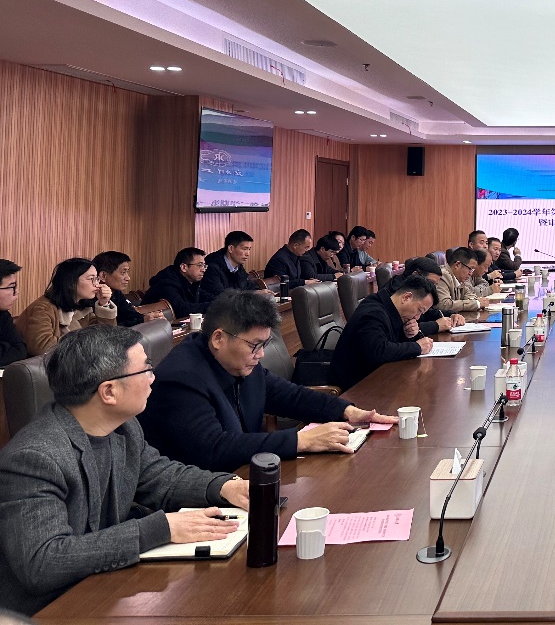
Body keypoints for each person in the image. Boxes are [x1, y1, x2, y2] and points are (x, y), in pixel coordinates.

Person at [0, 325, 250, 615]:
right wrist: (161, 529)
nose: (153, 378)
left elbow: (161, 476)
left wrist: (225, 486)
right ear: (109, 391)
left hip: (105, 586)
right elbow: (43, 562)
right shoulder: (34, 458)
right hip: (52, 610)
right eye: (146, 370)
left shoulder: (124, 428)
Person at [140, 289, 395, 472]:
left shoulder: (237, 362)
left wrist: (347, 411)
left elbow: (289, 395)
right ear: (218, 338)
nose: (261, 354)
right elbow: (214, 449)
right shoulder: (181, 380)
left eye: (264, 344)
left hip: (242, 476)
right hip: (197, 501)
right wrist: (302, 440)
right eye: (255, 345)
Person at [330, 274, 437, 390]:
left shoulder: (392, 311)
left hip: (378, 378)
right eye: (419, 310)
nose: (417, 317)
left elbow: (390, 343)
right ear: (406, 297)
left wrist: (407, 335)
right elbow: (379, 351)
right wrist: (417, 347)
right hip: (356, 387)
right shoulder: (373, 313)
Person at [15, 259, 118, 355]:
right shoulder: (43, 308)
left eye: (97, 279)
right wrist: (86, 342)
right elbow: (41, 347)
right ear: (71, 282)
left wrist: (104, 304)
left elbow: (107, 336)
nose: (97, 284)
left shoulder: (82, 306)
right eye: (91, 279)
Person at [391, 257, 465, 336]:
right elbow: (401, 329)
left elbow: (426, 312)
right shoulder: (396, 293)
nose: (433, 288)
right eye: (431, 283)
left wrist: (451, 315)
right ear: (415, 275)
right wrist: (436, 326)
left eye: (435, 285)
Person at [142, 248, 212, 320]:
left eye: (204, 266)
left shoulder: (191, 282)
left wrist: (218, 302)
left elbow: (205, 297)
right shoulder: (166, 283)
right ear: (184, 267)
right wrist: (213, 306)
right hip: (153, 325)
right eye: (200, 265)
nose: (203, 269)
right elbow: (181, 310)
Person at [91, 252, 153, 328]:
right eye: (123, 272)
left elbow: (131, 315)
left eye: (127, 272)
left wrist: (147, 318)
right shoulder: (89, 298)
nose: (128, 278)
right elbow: (102, 330)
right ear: (103, 275)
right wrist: (142, 320)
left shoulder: (117, 293)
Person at [201, 231, 257, 300]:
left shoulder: (238, 265)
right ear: (231, 249)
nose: (248, 254)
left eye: (249, 249)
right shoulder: (212, 266)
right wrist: (253, 294)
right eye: (244, 249)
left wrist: (257, 292)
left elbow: (246, 286)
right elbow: (220, 296)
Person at [437, 247, 490, 315]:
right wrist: (476, 304)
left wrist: (475, 301)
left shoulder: (459, 278)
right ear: (457, 265)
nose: (471, 273)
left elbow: (470, 294)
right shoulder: (443, 275)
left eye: (472, 270)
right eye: (470, 269)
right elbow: (444, 304)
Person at [0, 258, 29, 368]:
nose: (16, 292)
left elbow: (20, 349)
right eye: (11, 287)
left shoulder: (3, 314)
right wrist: (6, 346)